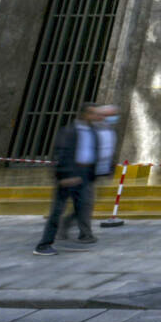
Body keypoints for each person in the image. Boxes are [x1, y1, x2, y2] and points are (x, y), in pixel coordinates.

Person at [34, 103, 103, 255]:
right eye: (93, 113)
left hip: (85, 175)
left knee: (84, 206)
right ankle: (44, 244)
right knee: (57, 211)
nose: (96, 117)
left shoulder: (93, 132)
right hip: (68, 175)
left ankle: (83, 234)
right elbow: (61, 153)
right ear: (85, 114)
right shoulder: (69, 131)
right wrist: (64, 175)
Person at [63, 102, 117, 242]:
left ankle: (67, 224)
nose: (112, 117)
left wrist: (109, 168)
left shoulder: (109, 130)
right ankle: (85, 234)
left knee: (85, 203)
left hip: (98, 172)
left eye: (114, 115)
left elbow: (108, 150)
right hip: (84, 172)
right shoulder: (90, 130)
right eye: (109, 115)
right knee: (86, 203)